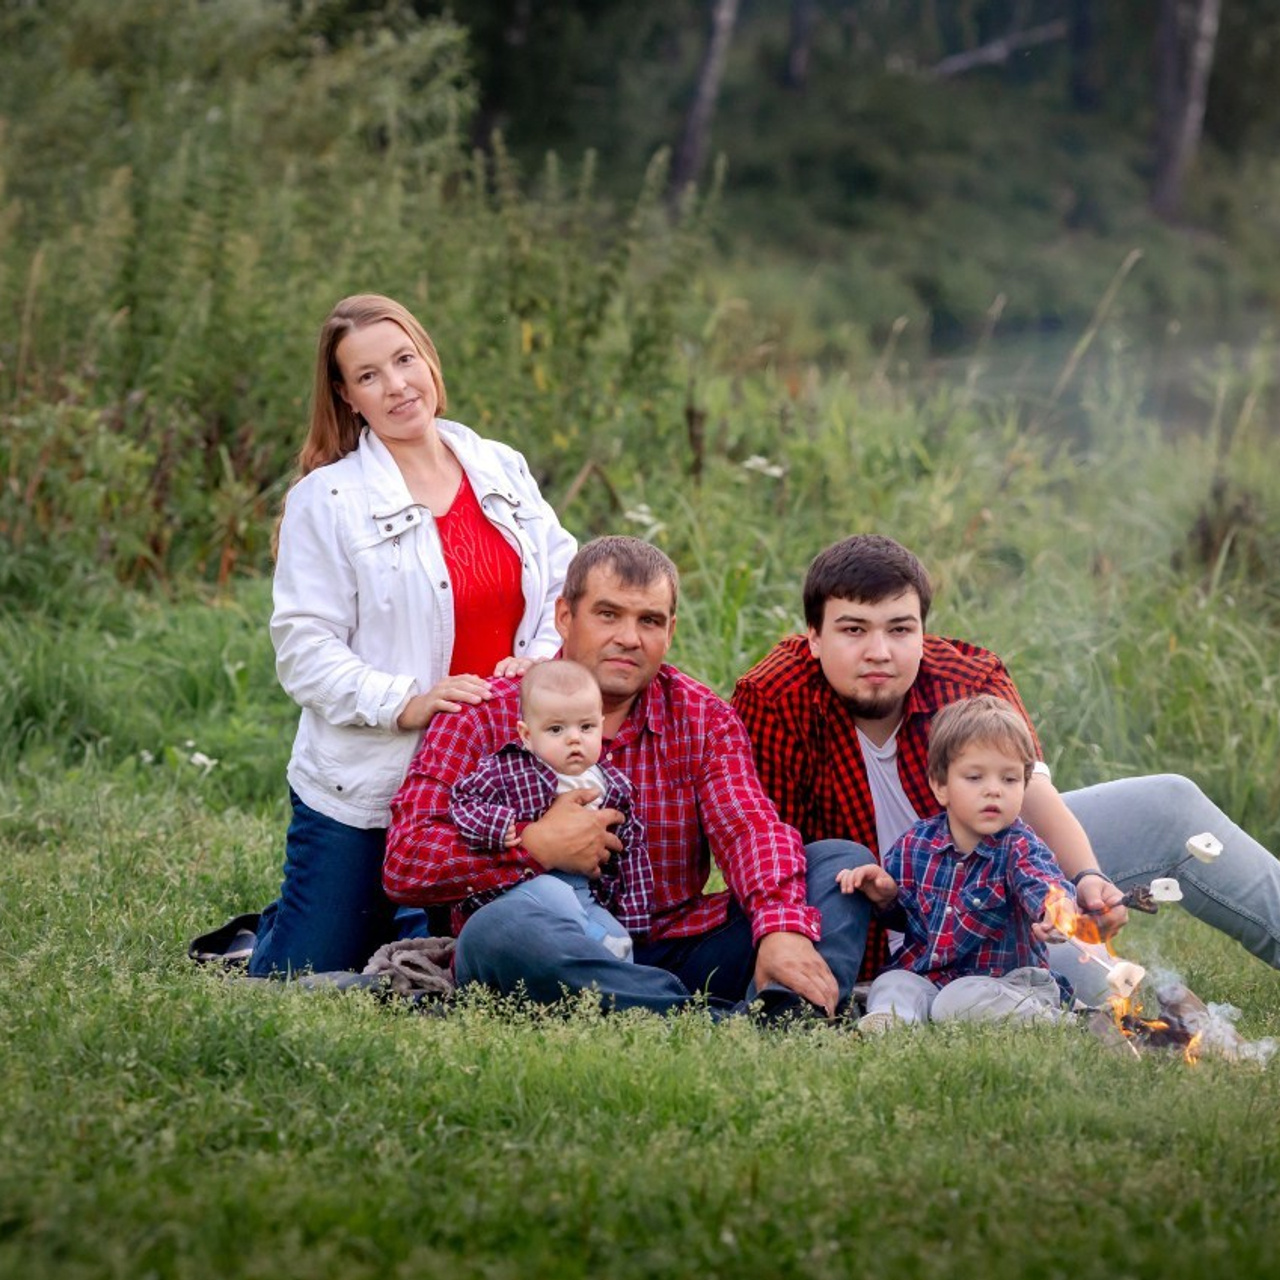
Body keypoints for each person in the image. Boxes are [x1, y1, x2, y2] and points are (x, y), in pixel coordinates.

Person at [732, 533, 1280, 1003]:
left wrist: (1086, 877)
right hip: (877, 913)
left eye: (900, 629)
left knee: (1170, 801)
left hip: (999, 877)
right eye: (854, 630)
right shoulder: (774, 695)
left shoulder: (965, 677)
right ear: (813, 636)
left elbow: (1034, 794)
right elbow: (767, 844)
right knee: (1093, 989)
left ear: (922, 630)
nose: (879, 651)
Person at [384, 535, 871, 1016]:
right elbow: (406, 861)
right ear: (564, 618)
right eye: (608, 614)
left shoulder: (702, 717)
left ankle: (763, 1007)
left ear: (671, 630)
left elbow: (749, 828)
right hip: (550, 944)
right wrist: (532, 847)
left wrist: (780, 928)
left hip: (671, 943)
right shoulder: (482, 713)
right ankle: (732, 1021)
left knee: (838, 867)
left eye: (650, 621)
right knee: (498, 933)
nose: (629, 638)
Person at [248, 294, 576, 977]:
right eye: (369, 375)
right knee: (308, 973)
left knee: (469, 965)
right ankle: (275, 930)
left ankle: (382, 912)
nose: (396, 385)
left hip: (492, 778)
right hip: (368, 786)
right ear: (346, 395)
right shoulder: (327, 500)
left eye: (404, 360)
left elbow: (562, 585)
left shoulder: (499, 467)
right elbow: (305, 652)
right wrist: (409, 700)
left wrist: (539, 660)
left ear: (428, 359)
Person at [841, 695, 1079, 1031]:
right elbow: (906, 917)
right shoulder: (917, 844)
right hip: (931, 976)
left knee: (959, 1001)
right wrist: (885, 895)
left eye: (1009, 780)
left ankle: (1069, 1024)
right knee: (893, 981)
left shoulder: (1019, 847)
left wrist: (1055, 910)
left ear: (1024, 786)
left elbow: (1042, 884)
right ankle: (894, 1025)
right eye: (975, 777)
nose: (993, 790)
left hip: (1006, 984)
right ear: (941, 786)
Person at [449, 658, 652, 961]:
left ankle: (614, 993)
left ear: (601, 724)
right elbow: (462, 802)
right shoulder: (508, 771)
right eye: (556, 729)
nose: (574, 738)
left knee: (620, 938)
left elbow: (632, 846)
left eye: (586, 727)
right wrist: (501, 827)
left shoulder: (613, 785)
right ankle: (592, 944)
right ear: (527, 735)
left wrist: (633, 911)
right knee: (558, 901)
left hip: (583, 889)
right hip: (520, 885)